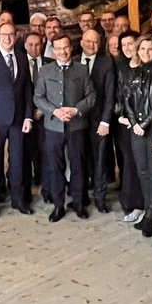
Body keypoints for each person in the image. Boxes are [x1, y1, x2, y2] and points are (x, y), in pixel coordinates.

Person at [33, 35, 96, 221]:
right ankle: (58, 205)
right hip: (53, 126)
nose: (62, 52)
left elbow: (91, 96)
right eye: (58, 49)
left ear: (71, 48)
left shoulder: (82, 70)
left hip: (76, 126)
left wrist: (76, 110)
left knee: (78, 165)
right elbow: (38, 97)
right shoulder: (45, 71)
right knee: (55, 166)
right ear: (53, 51)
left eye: (66, 47)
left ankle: (78, 203)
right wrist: (54, 111)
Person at [0, 21, 34, 219]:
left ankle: (18, 200)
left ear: (16, 36)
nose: (8, 38)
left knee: (18, 161)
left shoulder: (22, 57)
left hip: (19, 120)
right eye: (4, 35)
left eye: (11, 34)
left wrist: (28, 116)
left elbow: (28, 89)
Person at [120, 35, 152, 235]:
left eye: (150, 49)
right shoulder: (132, 72)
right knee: (142, 172)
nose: (146, 52)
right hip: (136, 129)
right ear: (137, 51)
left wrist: (144, 123)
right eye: (143, 49)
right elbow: (127, 99)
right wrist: (133, 122)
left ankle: (151, 216)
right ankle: (148, 209)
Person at [78, 29, 116, 213]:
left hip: (98, 121)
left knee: (100, 160)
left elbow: (110, 95)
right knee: (80, 158)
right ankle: (82, 195)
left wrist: (105, 121)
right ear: (81, 42)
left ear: (99, 44)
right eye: (87, 41)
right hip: (77, 121)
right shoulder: (74, 60)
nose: (90, 45)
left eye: (94, 42)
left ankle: (100, 197)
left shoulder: (106, 63)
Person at [112, 31, 144, 222]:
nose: (127, 48)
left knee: (143, 165)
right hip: (124, 124)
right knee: (129, 164)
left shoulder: (147, 67)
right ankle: (132, 202)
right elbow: (117, 95)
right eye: (123, 45)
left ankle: (145, 203)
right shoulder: (120, 66)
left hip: (142, 124)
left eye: (130, 44)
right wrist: (121, 115)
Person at [23, 31, 47, 193]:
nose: (34, 48)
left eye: (37, 44)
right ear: (25, 46)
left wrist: (43, 109)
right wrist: (28, 113)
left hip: (45, 116)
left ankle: (44, 182)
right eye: (30, 45)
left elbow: (55, 91)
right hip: (24, 117)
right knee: (23, 152)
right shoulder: (18, 63)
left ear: (42, 45)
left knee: (44, 151)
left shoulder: (50, 64)